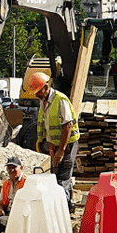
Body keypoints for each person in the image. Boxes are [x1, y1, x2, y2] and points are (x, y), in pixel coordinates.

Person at [28, 72, 79, 208]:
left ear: (46, 87)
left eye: (38, 91)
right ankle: (61, 205)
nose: (36, 95)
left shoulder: (60, 100)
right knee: (55, 176)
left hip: (67, 144)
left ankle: (64, 209)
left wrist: (61, 150)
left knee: (63, 177)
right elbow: (49, 125)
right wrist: (51, 144)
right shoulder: (44, 101)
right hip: (57, 144)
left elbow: (67, 126)